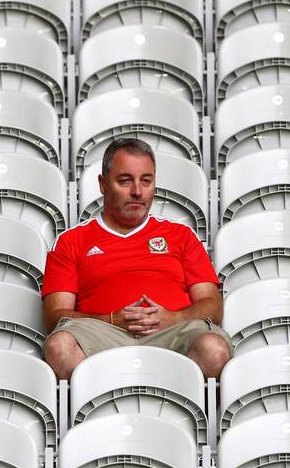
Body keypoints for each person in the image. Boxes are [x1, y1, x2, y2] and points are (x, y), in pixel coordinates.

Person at [41, 138, 231, 380]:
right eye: (125, 181)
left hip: (172, 333)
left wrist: (173, 318)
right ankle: (104, 405)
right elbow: (54, 316)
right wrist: (111, 320)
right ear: (102, 184)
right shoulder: (71, 241)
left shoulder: (181, 235)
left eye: (146, 181)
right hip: (102, 337)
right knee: (59, 348)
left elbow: (213, 306)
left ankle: (168, 402)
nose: (137, 192)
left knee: (214, 350)